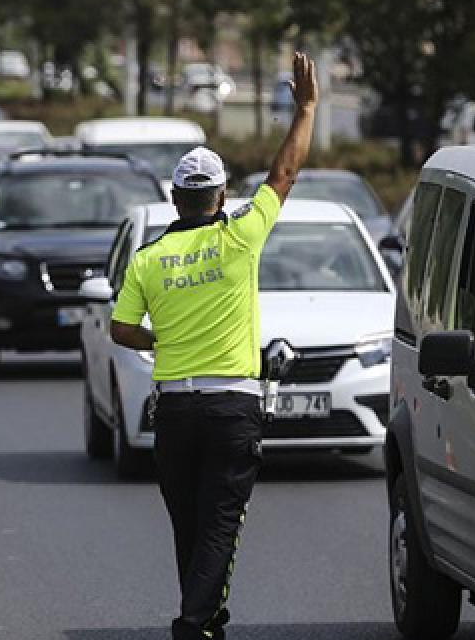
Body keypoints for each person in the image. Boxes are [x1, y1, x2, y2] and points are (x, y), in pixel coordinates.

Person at [109, 52, 319, 640]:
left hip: (174, 409)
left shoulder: (148, 259)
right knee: (220, 525)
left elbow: (120, 331)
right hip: (231, 407)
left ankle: (205, 621)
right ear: (221, 198)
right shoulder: (240, 238)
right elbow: (284, 176)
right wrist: (305, 108)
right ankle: (192, 623)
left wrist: (162, 336)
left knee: (190, 525)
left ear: (175, 200)